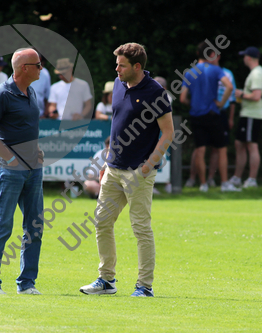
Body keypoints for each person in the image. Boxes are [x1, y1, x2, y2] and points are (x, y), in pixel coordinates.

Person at [80, 43, 173, 297]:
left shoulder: (156, 93)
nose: (116, 68)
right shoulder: (118, 84)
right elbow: (115, 124)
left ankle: (144, 286)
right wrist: (107, 161)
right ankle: (106, 280)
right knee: (101, 222)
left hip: (139, 172)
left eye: (121, 65)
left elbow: (168, 132)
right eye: (117, 64)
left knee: (140, 228)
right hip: (113, 169)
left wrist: (148, 164)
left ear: (137, 67)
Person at [0, 47, 44, 295]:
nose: (41, 68)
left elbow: (26, 128)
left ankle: (27, 283)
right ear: (24, 68)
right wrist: (10, 159)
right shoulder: (3, 94)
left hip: (33, 170)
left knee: (34, 227)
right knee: (3, 225)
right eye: (38, 64)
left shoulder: (32, 91)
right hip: (11, 170)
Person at [180, 41, 239, 192]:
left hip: (196, 115)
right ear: (210, 54)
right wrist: (221, 103)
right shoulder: (216, 69)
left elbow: (182, 98)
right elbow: (230, 87)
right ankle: (225, 183)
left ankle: (203, 184)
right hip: (213, 114)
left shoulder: (190, 72)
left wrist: (191, 103)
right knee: (221, 149)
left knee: (200, 149)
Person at [229, 46, 262, 188]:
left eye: (244, 56)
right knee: (240, 144)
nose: (243, 59)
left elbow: (256, 96)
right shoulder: (256, 72)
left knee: (251, 145)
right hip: (249, 115)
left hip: (252, 115)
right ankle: (237, 177)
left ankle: (252, 179)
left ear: (249, 57)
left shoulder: (256, 73)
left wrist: (241, 94)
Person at [30, 53, 51, 117]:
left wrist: (45, 114)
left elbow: (47, 96)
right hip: (22, 117)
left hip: (40, 115)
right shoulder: (18, 72)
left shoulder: (45, 73)